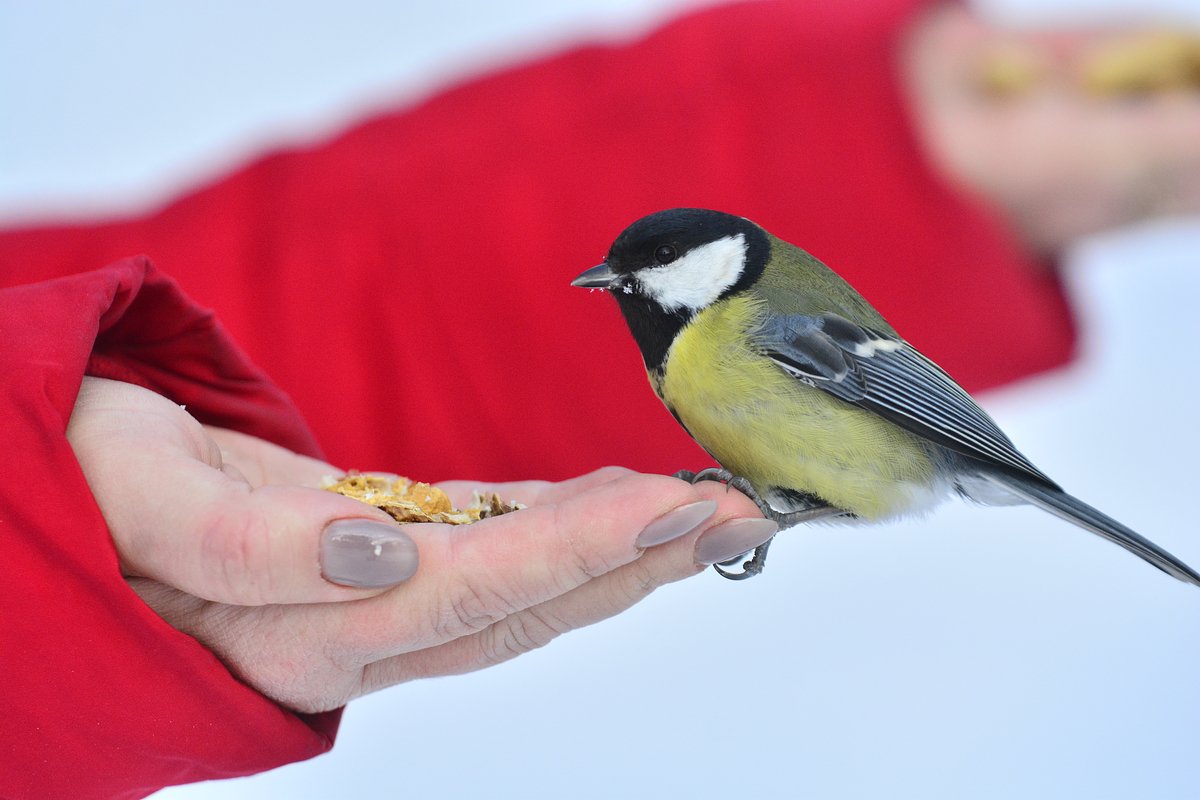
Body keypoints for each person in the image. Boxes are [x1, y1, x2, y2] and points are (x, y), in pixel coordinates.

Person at [1, 1, 1196, 797]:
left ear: (703, 271)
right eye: (615, 283)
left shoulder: (753, 319)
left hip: (913, 446)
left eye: (635, 282)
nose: (617, 296)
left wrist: (878, 136)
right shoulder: (691, 339)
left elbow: (899, 389)